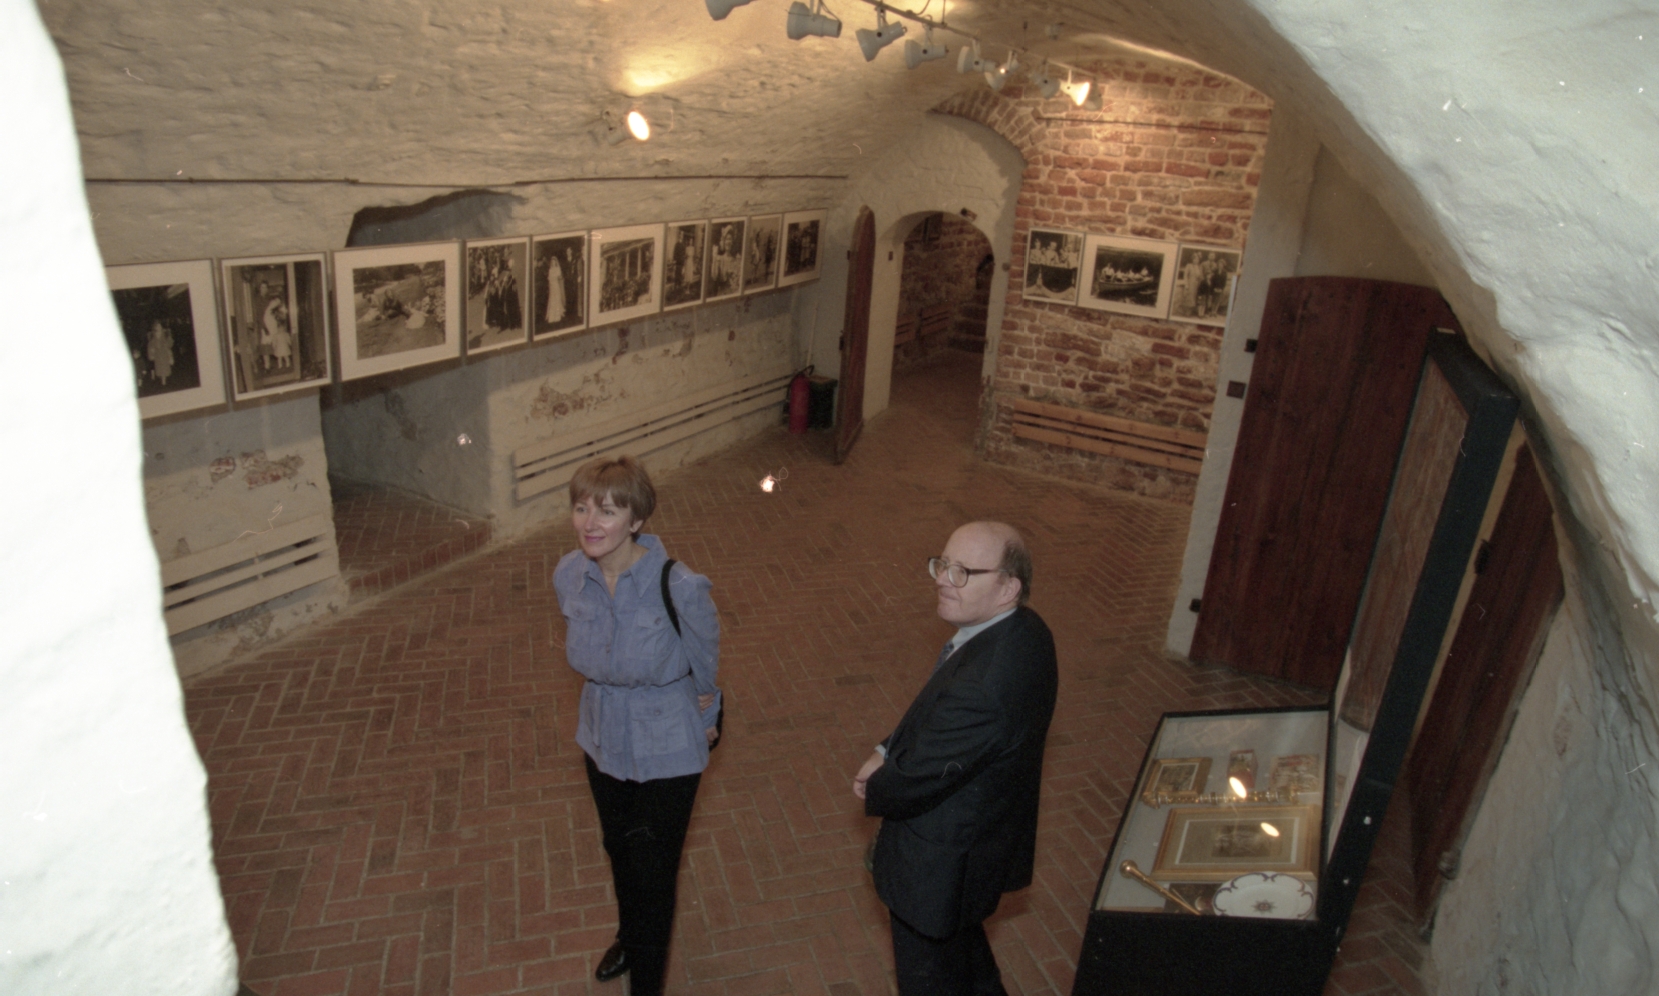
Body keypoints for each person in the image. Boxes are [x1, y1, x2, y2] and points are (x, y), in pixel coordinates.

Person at [853, 522, 1058, 996]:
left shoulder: (983, 686)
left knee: (932, 978)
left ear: (1008, 588)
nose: (943, 579)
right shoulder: (1026, 631)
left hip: (939, 869)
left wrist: (879, 782)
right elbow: (939, 716)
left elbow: (920, 774)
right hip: (976, 851)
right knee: (969, 970)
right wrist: (886, 749)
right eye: (942, 564)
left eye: (963, 572)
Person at [552, 456, 722, 995]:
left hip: (667, 743)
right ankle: (630, 938)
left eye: (608, 510)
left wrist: (706, 723)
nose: (590, 523)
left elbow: (705, 670)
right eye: (582, 508)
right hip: (602, 736)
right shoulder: (569, 574)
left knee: (652, 871)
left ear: (637, 520)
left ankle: (647, 984)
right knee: (618, 848)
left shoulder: (680, 586)